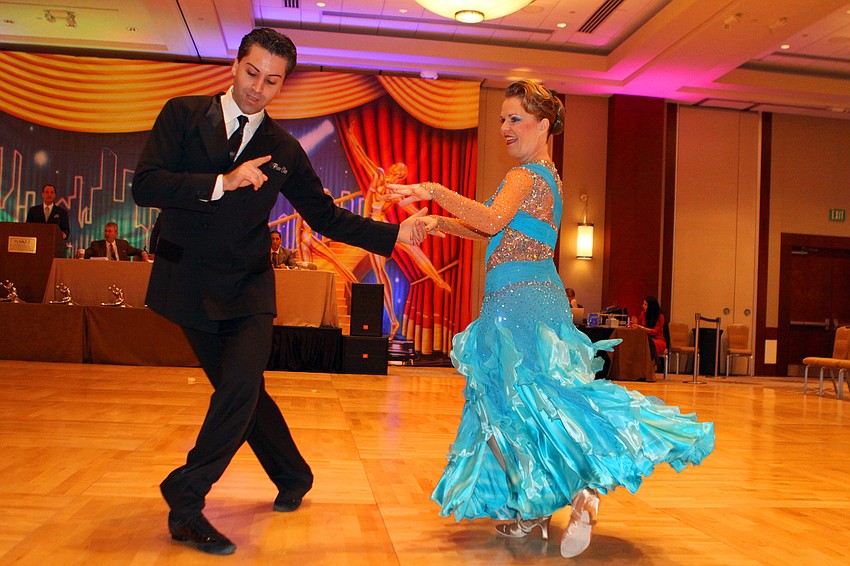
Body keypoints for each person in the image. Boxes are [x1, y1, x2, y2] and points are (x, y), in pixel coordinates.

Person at [131, 28, 430, 556]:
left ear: (282, 84)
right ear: (235, 65)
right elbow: (147, 185)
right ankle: (293, 475)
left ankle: (186, 496)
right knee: (242, 393)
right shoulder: (182, 114)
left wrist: (393, 235)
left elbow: (325, 215)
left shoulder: (283, 148)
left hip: (247, 287)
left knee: (240, 387)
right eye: (252, 73)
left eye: (272, 81)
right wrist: (222, 180)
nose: (257, 88)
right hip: (188, 285)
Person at [388, 80, 714, 558]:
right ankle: (539, 507)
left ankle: (568, 496)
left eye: (514, 119)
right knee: (540, 404)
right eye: (501, 118)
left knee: (506, 406)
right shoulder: (546, 177)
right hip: (532, 298)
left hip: (517, 303)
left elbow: (493, 220)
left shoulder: (524, 176)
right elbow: (494, 232)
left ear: (543, 126)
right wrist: (438, 223)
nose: (504, 127)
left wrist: (432, 191)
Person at [631, 296, 668, 360]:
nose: (643, 306)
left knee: (647, 344)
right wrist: (635, 323)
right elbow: (638, 326)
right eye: (643, 304)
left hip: (657, 340)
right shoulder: (642, 314)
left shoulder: (660, 316)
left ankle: (650, 365)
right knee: (636, 343)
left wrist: (640, 327)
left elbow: (654, 332)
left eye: (645, 304)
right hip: (645, 338)